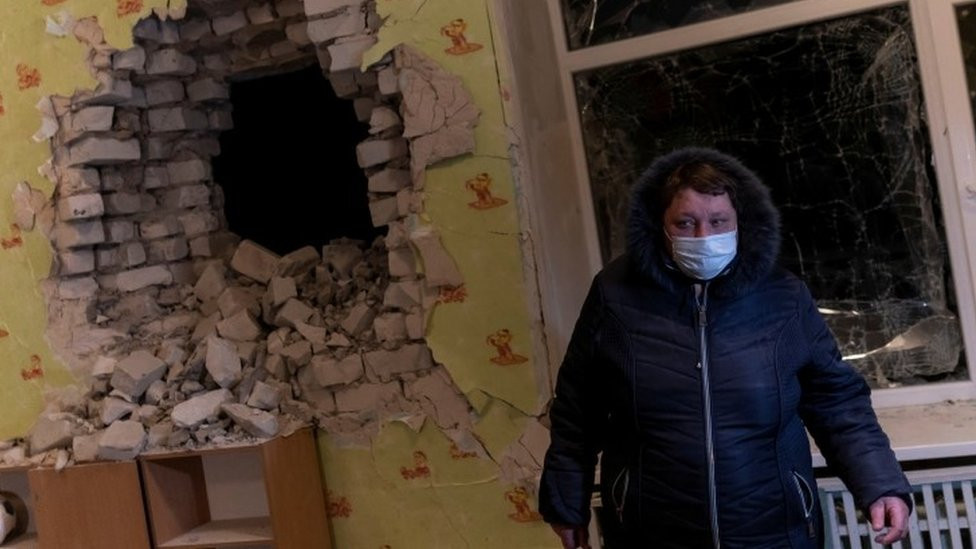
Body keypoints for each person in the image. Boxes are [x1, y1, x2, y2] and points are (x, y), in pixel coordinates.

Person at [538, 147, 912, 548]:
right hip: (651, 531)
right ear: (659, 223)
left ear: (740, 222)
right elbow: (578, 408)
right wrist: (566, 503)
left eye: (718, 221)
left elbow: (836, 401)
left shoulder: (783, 297)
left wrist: (880, 484)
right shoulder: (615, 295)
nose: (704, 236)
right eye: (685, 223)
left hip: (775, 529)